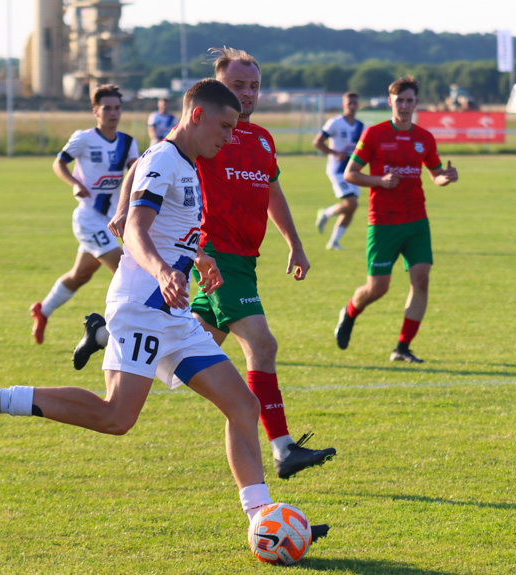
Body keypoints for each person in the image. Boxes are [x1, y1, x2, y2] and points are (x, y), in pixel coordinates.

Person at [0, 79, 329, 543]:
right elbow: (137, 232)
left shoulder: (188, 163)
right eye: (224, 126)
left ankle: (263, 519)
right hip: (142, 308)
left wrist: (197, 258)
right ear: (197, 115)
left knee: (242, 405)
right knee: (116, 417)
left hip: (174, 315)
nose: (230, 136)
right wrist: (165, 272)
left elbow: (172, 229)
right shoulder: (163, 160)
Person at [73, 47, 336, 481]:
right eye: (238, 86)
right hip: (213, 254)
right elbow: (146, 161)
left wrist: (295, 242)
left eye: (254, 86)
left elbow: (271, 191)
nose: (248, 94)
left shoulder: (261, 138)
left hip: (243, 259)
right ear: (217, 90)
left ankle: (104, 333)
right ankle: (282, 447)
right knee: (262, 345)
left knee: (190, 350)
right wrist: (125, 208)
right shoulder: (208, 132)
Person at [334, 76, 459, 363]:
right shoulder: (375, 134)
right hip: (383, 222)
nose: (404, 105)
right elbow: (350, 173)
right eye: (399, 100)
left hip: (416, 221)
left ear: (416, 103)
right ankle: (350, 312)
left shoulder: (424, 138)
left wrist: (446, 177)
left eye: (409, 100)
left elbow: (435, 175)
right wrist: (380, 180)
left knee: (422, 280)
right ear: (390, 102)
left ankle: (402, 347)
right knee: (378, 288)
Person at [29, 84, 140, 345]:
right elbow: (59, 162)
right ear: (95, 111)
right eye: (107, 108)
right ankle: (115, 332)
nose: (113, 113)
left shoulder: (127, 142)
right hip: (89, 218)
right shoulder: (83, 138)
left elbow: (135, 173)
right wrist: (75, 183)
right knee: (126, 269)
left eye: (117, 108)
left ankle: (42, 311)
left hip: (113, 220)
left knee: (81, 275)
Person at [313, 92, 364, 250]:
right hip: (338, 170)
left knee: (351, 208)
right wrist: (335, 153)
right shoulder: (334, 123)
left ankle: (333, 242)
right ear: (344, 105)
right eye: (349, 103)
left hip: (353, 171)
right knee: (351, 203)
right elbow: (317, 142)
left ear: (358, 105)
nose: (352, 106)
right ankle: (326, 213)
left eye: (355, 103)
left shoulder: (361, 126)